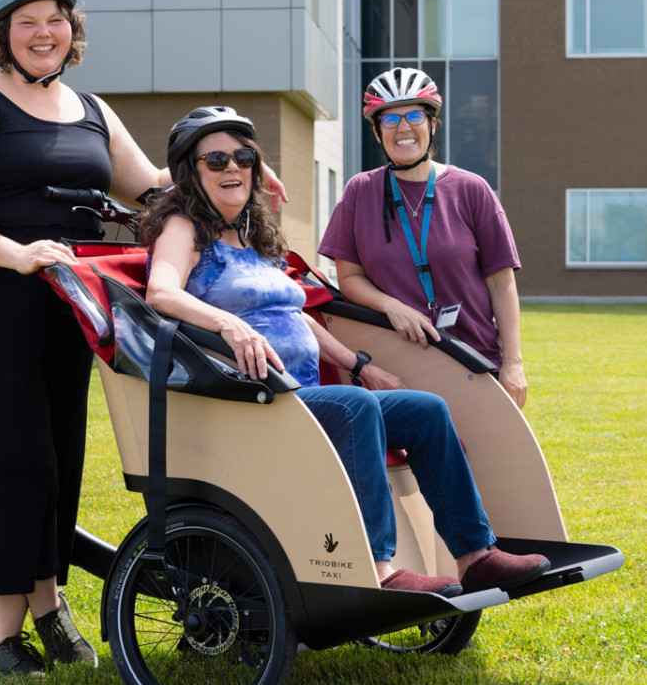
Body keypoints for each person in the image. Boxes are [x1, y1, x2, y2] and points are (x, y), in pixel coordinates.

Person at [0, 0, 287, 677]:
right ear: (4, 34)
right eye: (27, 21)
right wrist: (16, 252)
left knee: (57, 454)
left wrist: (230, 171)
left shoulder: (92, 111)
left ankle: (51, 611)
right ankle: (4, 634)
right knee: (8, 455)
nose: (42, 32)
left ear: (72, 30)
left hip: (67, 298)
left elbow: (153, 186)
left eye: (55, 19)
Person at [140, 105, 549, 595]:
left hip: (302, 397)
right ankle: (378, 569)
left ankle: (475, 555)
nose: (232, 167)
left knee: (425, 410)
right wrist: (229, 324)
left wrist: (359, 365)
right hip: (251, 401)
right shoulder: (185, 229)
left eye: (244, 156)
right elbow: (161, 293)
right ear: (190, 171)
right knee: (354, 407)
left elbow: (297, 319)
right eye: (216, 160)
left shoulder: (255, 236)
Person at [318, 68, 528, 408]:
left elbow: (501, 284)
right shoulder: (360, 191)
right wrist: (392, 306)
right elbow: (349, 278)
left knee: (487, 460)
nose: (403, 128)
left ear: (432, 124)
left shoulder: (471, 189)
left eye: (415, 115)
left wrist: (514, 364)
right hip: (401, 367)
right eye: (390, 119)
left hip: (475, 358)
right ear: (377, 132)